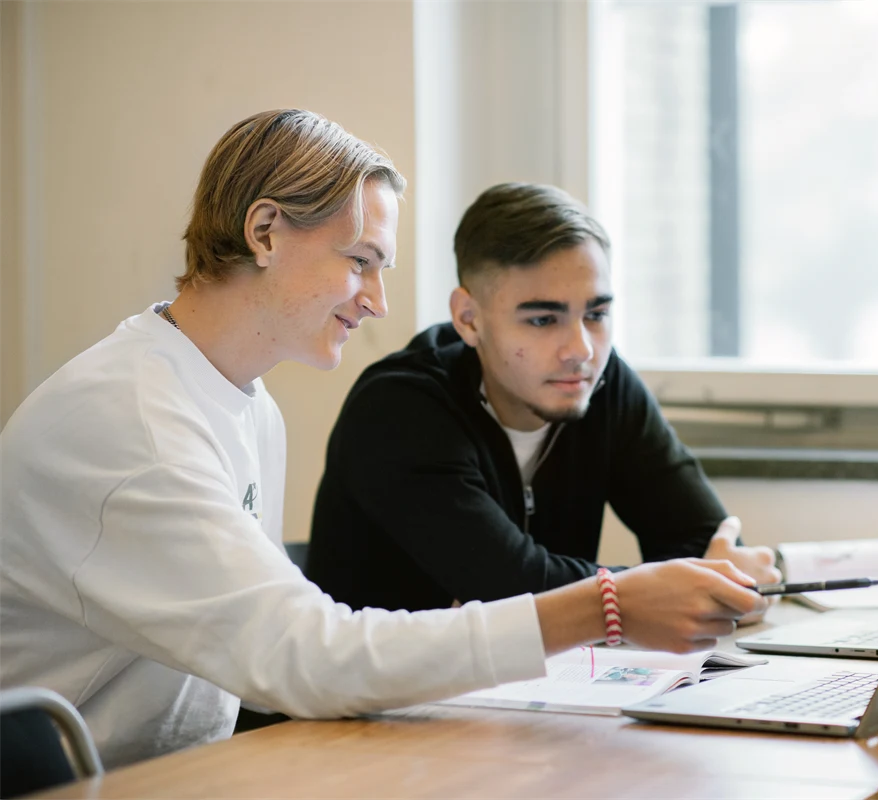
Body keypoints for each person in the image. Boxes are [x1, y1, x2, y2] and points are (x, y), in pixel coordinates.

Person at [0, 111, 765, 768]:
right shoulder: (130, 421)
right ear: (265, 231)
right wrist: (608, 604)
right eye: (360, 261)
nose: (377, 301)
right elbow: (305, 655)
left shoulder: (241, 399)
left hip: (181, 770)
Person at [305, 182, 781, 617]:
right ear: (468, 318)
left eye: (595, 314)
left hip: (535, 692)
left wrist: (713, 579)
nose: (581, 350)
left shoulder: (603, 383)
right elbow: (510, 589)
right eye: (542, 320)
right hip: (374, 705)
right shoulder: (397, 410)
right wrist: (690, 585)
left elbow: (708, 541)